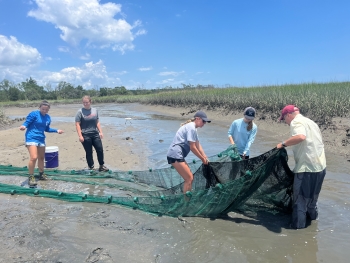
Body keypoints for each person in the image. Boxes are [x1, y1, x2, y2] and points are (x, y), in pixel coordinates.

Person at [276, 104, 326, 229]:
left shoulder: (296, 122)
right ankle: (314, 224)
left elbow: (300, 136)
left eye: (284, 119)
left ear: (288, 115)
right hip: (320, 167)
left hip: (306, 168)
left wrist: (283, 144)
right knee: (312, 201)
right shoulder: (311, 122)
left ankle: (298, 230)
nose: (286, 123)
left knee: (300, 203)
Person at [19, 100, 64, 186]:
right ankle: (31, 177)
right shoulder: (34, 114)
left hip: (41, 139)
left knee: (41, 157)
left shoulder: (48, 117)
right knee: (34, 157)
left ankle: (41, 174)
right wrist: (23, 126)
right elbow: (27, 122)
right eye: (43, 109)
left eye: (46, 109)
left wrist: (56, 130)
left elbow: (47, 129)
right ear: (40, 108)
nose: (44, 111)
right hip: (31, 138)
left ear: (48, 110)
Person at [167, 110, 210, 195]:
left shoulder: (193, 129)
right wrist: (202, 159)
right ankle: (186, 201)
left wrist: (205, 157)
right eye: (203, 121)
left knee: (189, 177)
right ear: (197, 119)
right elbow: (193, 148)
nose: (204, 123)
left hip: (177, 155)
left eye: (205, 122)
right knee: (189, 178)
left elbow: (198, 145)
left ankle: (187, 196)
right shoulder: (191, 127)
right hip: (175, 154)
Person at [75, 96, 109, 172]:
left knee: (100, 149)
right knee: (89, 151)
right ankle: (91, 167)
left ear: (90, 102)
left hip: (95, 134)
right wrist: (80, 136)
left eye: (87, 102)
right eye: (84, 102)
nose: (85, 104)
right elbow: (77, 124)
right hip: (85, 134)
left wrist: (100, 132)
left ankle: (101, 165)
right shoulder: (80, 112)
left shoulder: (95, 110)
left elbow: (97, 122)